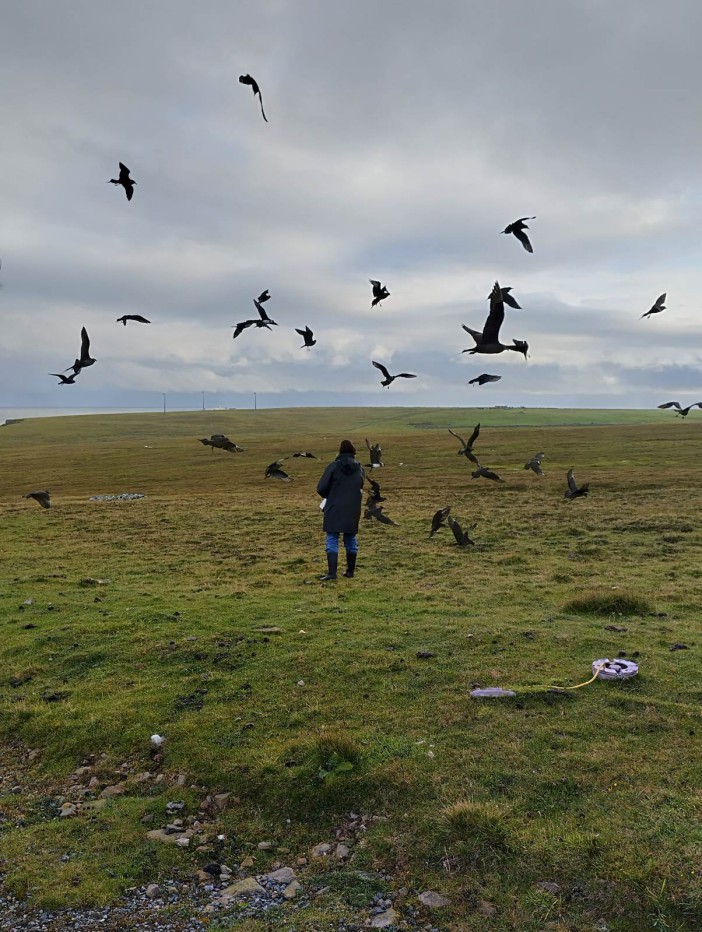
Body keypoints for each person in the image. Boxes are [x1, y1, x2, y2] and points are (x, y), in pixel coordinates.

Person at [316, 440, 365, 580]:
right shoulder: (360, 468)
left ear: (340, 452)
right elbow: (361, 484)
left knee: (332, 538)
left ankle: (332, 573)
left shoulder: (333, 466)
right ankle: (350, 571)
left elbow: (321, 488)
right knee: (350, 539)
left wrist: (330, 496)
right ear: (353, 453)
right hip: (353, 508)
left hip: (334, 507)